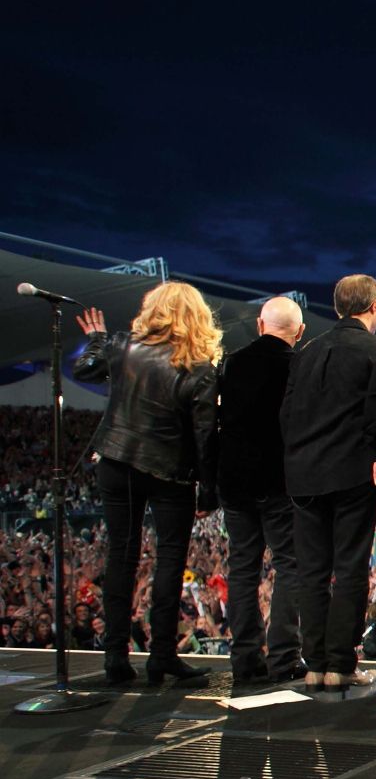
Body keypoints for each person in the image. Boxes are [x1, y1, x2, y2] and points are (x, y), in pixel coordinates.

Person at [72, 284, 221, 685]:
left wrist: (98, 341)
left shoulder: (123, 347)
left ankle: (116, 658)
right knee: (170, 561)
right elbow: (205, 435)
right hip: (170, 472)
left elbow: (84, 369)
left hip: (118, 461)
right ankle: (162, 656)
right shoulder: (199, 366)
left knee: (121, 557)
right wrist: (209, 489)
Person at [283, 276, 376, 693]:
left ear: (338, 309)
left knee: (312, 572)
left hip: (303, 475)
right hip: (352, 473)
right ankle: (341, 663)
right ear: (374, 306)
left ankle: (314, 663)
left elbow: (287, 414)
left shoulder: (306, 351)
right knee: (350, 569)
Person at [215, 295, 307, 684]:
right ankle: (284, 656)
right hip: (278, 480)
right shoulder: (298, 367)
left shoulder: (231, 363)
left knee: (242, 568)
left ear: (259, 325)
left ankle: (244, 659)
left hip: (234, 480)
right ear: (300, 333)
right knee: (290, 564)